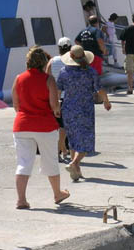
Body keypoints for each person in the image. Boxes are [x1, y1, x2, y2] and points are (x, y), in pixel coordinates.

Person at [12, 46, 71, 209]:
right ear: (44, 63)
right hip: (45, 126)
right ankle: (57, 194)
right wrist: (57, 110)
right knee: (50, 160)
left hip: (22, 125)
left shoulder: (18, 78)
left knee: (23, 162)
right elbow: (54, 105)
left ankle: (21, 200)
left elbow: (16, 105)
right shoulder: (48, 79)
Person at [57, 46, 112, 181]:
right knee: (86, 139)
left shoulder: (63, 72)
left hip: (68, 108)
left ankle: (76, 171)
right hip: (85, 108)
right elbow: (99, 89)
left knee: (73, 139)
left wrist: (56, 107)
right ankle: (74, 163)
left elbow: (58, 91)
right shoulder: (90, 72)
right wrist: (106, 101)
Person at [46, 37, 72, 162]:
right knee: (64, 127)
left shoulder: (52, 61)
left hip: (54, 98)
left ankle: (63, 150)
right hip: (68, 98)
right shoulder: (72, 61)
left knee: (57, 126)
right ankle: (59, 151)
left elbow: (46, 79)